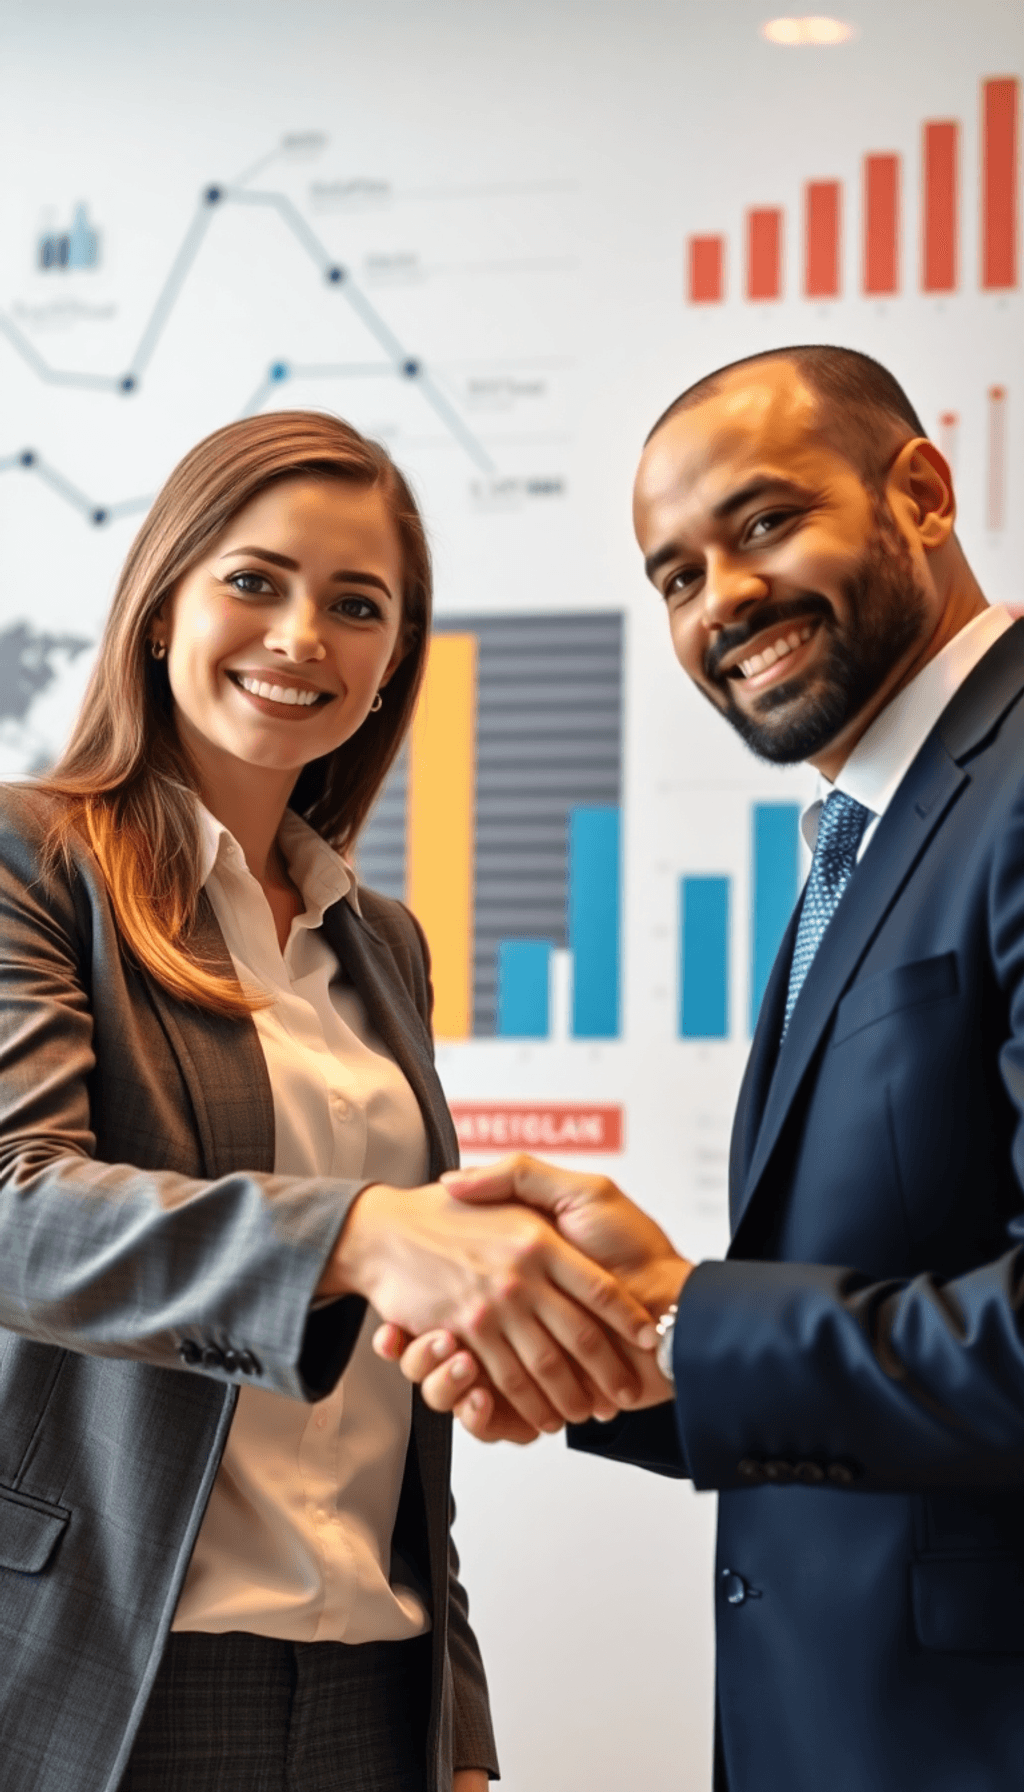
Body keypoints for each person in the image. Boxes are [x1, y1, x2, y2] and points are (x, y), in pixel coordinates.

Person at [379, 347, 1024, 1791]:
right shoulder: (871, 827)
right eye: (675, 575)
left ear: (921, 492)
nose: (721, 601)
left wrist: (690, 1324)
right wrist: (614, 1344)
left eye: (764, 525)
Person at [0, 409, 662, 1792]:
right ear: (163, 601)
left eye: (357, 606)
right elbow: (20, 1214)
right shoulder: (31, 860)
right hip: (119, 1670)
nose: (303, 634)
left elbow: (387, 1410)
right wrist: (362, 1234)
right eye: (256, 579)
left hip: (373, 1683)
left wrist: (456, 1727)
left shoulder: (382, 945)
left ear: (389, 668)